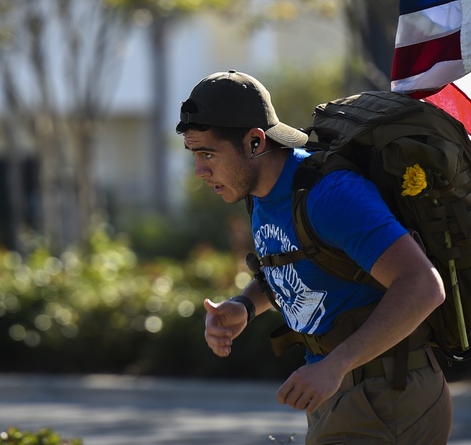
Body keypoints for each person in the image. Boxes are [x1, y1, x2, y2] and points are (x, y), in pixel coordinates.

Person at [176, 70, 453, 444]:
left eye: (208, 153)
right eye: (195, 154)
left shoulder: (331, 196)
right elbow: (296, 264)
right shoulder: (262, 194)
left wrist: (335, 364)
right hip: (341, 392)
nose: (200, 171)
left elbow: (423, 286)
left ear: (255, 142)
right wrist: (245, 306)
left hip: (387, 395)